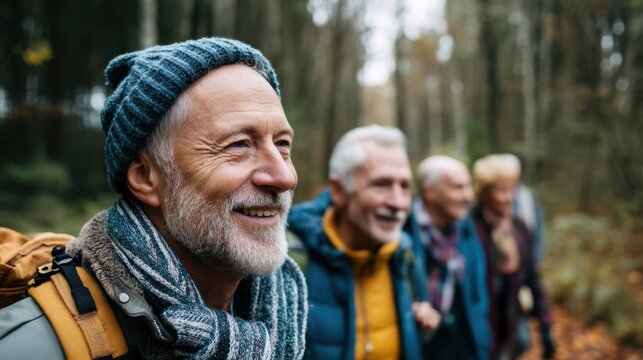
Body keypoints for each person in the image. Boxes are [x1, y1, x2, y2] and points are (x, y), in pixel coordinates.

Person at [0, 37, 307, 359]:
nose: (285, 177)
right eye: (239, 144)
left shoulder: (287, 317)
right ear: (146, 177)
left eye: (282, 143)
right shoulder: (35, 346)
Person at [287, 125, 437, 360]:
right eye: (381, 184)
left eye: (405, 186)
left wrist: (421, 324)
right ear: (338, 191)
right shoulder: (291, 258)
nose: (398, 203)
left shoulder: (405, 253)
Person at [470, 154, 554, 360]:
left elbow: (532, 275)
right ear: (485, 192)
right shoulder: (470, 228)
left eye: (512, 189)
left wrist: (545, 323)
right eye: (502, 190)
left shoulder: (519, 227)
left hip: (509, 319)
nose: (510, 197)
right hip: (479, 323)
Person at [408, 155, 491, 360]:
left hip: (459, 342)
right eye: (458, 187)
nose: (469, 196)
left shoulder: (466, 229)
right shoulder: (402, 231)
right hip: (419, 344)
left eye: (468, 186)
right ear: (429, 191)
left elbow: (478, 294)